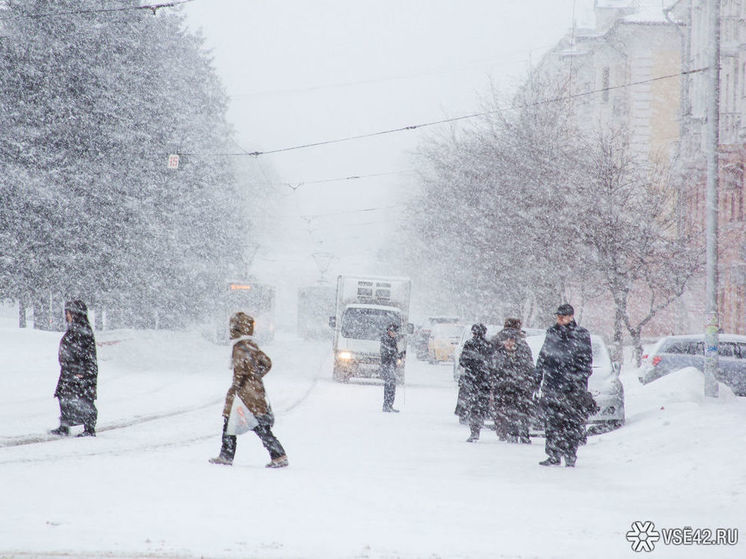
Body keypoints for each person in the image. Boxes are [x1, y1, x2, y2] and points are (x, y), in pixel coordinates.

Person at [209, 312, 288, 468]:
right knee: (257, 425)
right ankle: (278, 455)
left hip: (244, 394)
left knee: (233, 422)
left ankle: (227, 455)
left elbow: (239, 372)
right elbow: (267, 363)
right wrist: (256, 376)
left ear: (237, 328)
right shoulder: (252, 345)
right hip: (256, 391)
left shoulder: (239, 347)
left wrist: (236, 388)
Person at [535, 304, 596, 467]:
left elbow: (586, 361)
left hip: (572, 388)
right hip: (552, 385)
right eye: (558, 316)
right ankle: (553, 454)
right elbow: (543, 356)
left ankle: (570, 455)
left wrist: (577, 379)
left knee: (571, 423)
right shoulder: (552, 333)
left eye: (563, 316)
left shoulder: (581, 334)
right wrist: (538, 377)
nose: (560, 319)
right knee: (552, 422)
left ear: (571, 317)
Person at [50, 300, 99, 437]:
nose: (67, 315)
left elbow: (86, 354)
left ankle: (89, 429)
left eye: (69, 312)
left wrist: (82, 371)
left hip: (80, 372)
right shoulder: (74, 329)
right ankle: (64, 426)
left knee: (84, 399)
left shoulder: (82, 331)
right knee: (65, 397)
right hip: (70, 371)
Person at [491, 324, 538, 444]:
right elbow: (495, 370)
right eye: (506, 340)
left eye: (511, 340)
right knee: (509, 411)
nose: (508, 343)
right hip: (505, 388)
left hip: (521, 387)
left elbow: (529, 367)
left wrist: (528, 381)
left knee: (523, 410)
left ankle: (524, 432)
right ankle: (512, 432)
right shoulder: (499, 353)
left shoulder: (523, 351)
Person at [457, 323, 493, 442]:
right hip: (484, 380)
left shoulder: (469, 344)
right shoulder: (489, 345)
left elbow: (462, 361)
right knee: (481, 404)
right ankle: (479, 423)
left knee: (474, 405)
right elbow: (493, 362)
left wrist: (471, 366)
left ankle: (474, 430)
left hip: (472, 380)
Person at [380, 322, 404, 412]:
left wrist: (400, 355)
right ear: (389, 331)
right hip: (387, 365)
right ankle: (386, 405)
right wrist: (394, 354)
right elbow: (387, 353)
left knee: (392, 385)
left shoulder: (393, 340)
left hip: (392, 365)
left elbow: (394, 352)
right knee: (388, 385)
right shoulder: (385, 339)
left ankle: (390, 405)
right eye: (394, 332)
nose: (395, 334)